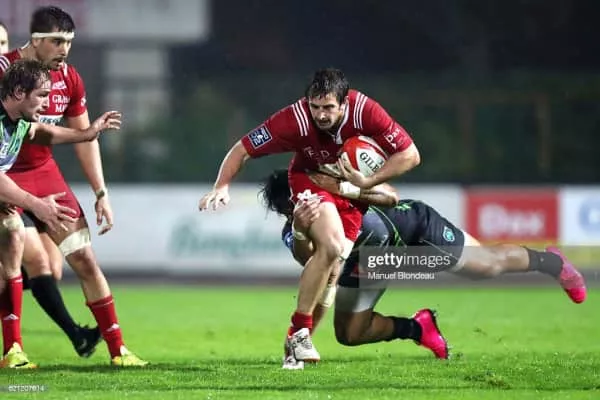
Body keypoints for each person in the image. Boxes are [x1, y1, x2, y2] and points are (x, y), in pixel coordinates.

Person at [259, 169, 587, 369]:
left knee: (485, 266)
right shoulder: (294, 229)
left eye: (305, 195)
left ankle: (552, 263)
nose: (306, 203)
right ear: (286, 211)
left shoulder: (335, 196)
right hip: (371, 260)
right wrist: (301, 231)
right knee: (350, 334)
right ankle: (419, 328)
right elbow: (312, 265)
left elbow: (379, 225)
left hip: (414, 227)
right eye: (295, 204)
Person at [199, 68, 421, 362]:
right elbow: (242, 149)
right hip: (311, 179)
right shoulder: (294, 120)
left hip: (350, 190)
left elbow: (410, 155)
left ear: (344, 103)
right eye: (315, 107)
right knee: (331, 246)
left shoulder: (366, 112)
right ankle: (299, 333)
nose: (321, 115)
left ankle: (294, 343)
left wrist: (368, 181)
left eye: (328, 107)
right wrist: (222, 185)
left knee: (333, 269)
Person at [0, 6, 147, 366]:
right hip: (6, 175)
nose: (64, 49)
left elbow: (68, 135)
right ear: (35, 41)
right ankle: (13, 348)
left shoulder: (69, 79)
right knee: (12, 241)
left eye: (69, 41)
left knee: (81, 257)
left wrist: (101, 192)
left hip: (42, 173)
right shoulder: (7, 71)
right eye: (57, 41)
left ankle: (118, 350)